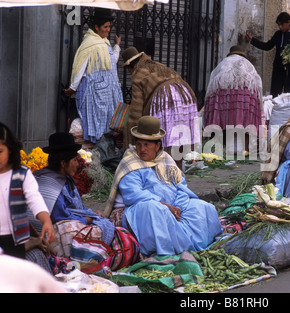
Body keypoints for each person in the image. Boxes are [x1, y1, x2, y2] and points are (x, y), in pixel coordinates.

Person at [104, 116, 222, 256]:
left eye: (147, 145)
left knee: (202, 207)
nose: (142, 149)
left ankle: (197, 245)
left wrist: (178, 207)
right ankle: (166, 251)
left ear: (157, 146)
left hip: (170, 206)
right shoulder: (130, 163)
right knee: (155, 209)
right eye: (139, 144)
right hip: (137, 209)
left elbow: (181, 186)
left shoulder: (166, 160)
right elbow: (134, 195)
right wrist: (166, 206)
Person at [121, 46, 201, 169]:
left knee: (163, 139)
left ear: (130, 67)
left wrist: (130, 131)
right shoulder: (157, 65)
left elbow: (136, 109)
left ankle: (165, 173)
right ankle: (178, 172)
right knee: (177, 139)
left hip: (166, 100)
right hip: (185, 98)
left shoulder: (138, 73)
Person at [33, 132, 115, 245]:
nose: (77, 164)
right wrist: (87, 219)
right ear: (63, 163)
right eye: (74, 160)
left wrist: (90, 213)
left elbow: (76, 207)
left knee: (105, 224)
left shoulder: (65, 180)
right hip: (45, 233)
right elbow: (60, 217)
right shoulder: (50, 184)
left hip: (63, 224)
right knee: (93, 230)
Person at [64, 8, 123, 144]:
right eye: (105, 27)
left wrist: (117, 46)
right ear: (96, 27)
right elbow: (80, 67)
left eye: (109, 27)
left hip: (106, 94)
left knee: (105, 123)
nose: (108, 30)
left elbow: (111, 62)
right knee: (94, 122)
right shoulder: (90, 44)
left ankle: (103, 149)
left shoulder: (105, 43)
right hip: (95, 94)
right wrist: (73, 87)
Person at [0, 122, 55, 259]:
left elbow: (34, 198)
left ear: (10, 149)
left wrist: (46, 221)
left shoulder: (22, 174)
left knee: (13, 276)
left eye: (0, 151)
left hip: (15, 240)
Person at [203, 45, 264, 155]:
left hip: (223, 92)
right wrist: (259, 102)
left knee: (225, 118)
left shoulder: (222, 64)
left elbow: (211, 82)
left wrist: (208, 101)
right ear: (243, 54)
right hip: (245, 93)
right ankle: (246, 149)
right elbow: (258, 83)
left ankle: (222, 148)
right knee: (246, 121)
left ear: (230, 54)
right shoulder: (248, 64)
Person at [246, 12, 290, 97]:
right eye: (279, 25)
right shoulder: (278, 34)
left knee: (289, 94)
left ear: (289, 22)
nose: (280, 27)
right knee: (275, 93)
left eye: (282, 24)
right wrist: (253, 40)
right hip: (278, 68)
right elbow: (267, 46)